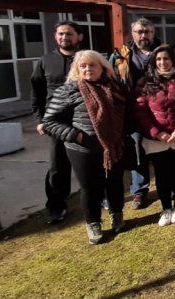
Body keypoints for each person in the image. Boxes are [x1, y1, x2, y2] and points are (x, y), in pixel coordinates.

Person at [41, 51, 127, 245]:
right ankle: (93, 223)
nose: (88, 69)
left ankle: (117, 214)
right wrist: (76, 135)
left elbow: (125, 113)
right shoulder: (69, 90)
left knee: (114, 182)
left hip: (113, 146)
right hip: (82, 148)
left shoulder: (115, 87)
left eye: (92, 65)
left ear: (103, 68)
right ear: (77, 69)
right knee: (90, 187)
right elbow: (49, 122)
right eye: (83, 66)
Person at [134, 45, 175, 227]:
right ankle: (166, 208)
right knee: (162, 174)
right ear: (154, 62)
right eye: (158, 59)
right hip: (156, 139)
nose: (162, 62)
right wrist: (156, 132)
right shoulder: (144, 83)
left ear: (173, 60)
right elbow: (140, 111)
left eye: (166, 58)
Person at [31, 21, 83, 225]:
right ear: (56, 36)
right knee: (57, 166)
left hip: (83, 118)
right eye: (61, 34)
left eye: (69, 34)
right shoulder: (46, 61)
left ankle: (101, 197)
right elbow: (36, 92)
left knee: (92, 160)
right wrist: (39, 119)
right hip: (56, 122)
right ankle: (56, 206)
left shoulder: (86, 58)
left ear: (79, 37)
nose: (65, 38)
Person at [109, 17, 161, 210]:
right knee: (137, 149)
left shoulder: (163, 52)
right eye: (140, 31)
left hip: (159, 109)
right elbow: (111, 81)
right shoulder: (121, 55)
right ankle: (139, 191)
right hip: (132, 111)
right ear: (133, 33)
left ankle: (167, 184)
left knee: (161, 148)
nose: (143, 35)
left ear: (153, 33)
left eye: (147, 31)